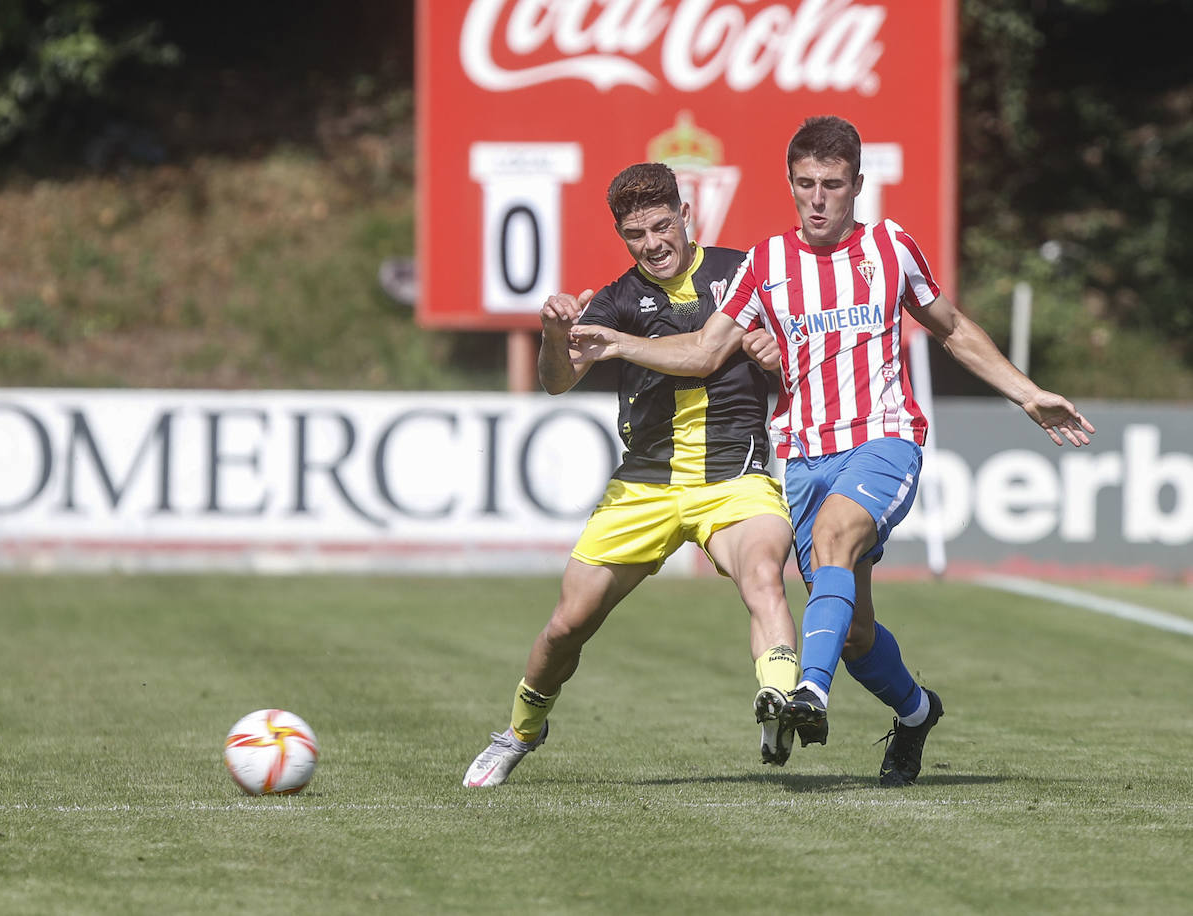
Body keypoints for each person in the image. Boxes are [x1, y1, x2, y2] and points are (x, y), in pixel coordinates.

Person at [570, 116, 1095, 787]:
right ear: (791, 184)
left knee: (834, 532)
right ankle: (914, 713)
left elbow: (953, 327)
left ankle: (807, 694)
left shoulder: (890, 248)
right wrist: (618, 344)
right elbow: (702, 351)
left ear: (857, 186)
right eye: (805, 184)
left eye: (833, 185)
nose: (818, 199)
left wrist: (1026, 393)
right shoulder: (766, 263)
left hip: (884, 439)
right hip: (805, 460)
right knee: (853, 634)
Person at [462, 162, 803, 788]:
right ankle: (518, 732)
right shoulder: (616, 300)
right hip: (644, 485)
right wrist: (551, 332)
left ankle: (778, 701)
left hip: (736, 477)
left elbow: (796, 363)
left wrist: (779, 357)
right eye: (635, 235)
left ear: (686, 215)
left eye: (660, 226)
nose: (652, 244)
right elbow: (557, 383)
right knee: (567, 626)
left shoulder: (743, 273)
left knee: (763, 574)